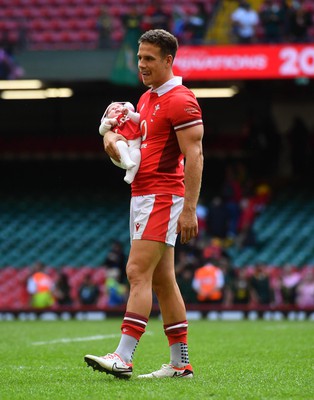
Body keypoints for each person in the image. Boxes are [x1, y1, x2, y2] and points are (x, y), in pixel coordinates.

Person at [85, 29, 204, 379]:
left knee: (136, 272)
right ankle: (180, 363)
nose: (142, 65)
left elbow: (194, 156)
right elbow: (139, 145)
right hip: (144, 194)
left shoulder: (181, 99)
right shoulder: (147, 99)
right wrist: (114, 138)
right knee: (164, 280)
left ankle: (123, 357)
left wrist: (190, 209)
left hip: (163, 195)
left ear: (169, 60)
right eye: (140, 58)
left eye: (150, 58)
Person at [99, 101, 141, 184]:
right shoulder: (111, 122)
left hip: (134, 144)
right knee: (120, 144)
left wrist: (129, 113)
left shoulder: (129, 115)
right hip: (120, 150)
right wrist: (107, 122)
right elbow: (101, 131)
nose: (116, 108)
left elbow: (139, 118)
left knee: (137, 154)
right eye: (112, 109)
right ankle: (126, 161)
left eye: (118, 106)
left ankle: (130, 175)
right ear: (107, 117)